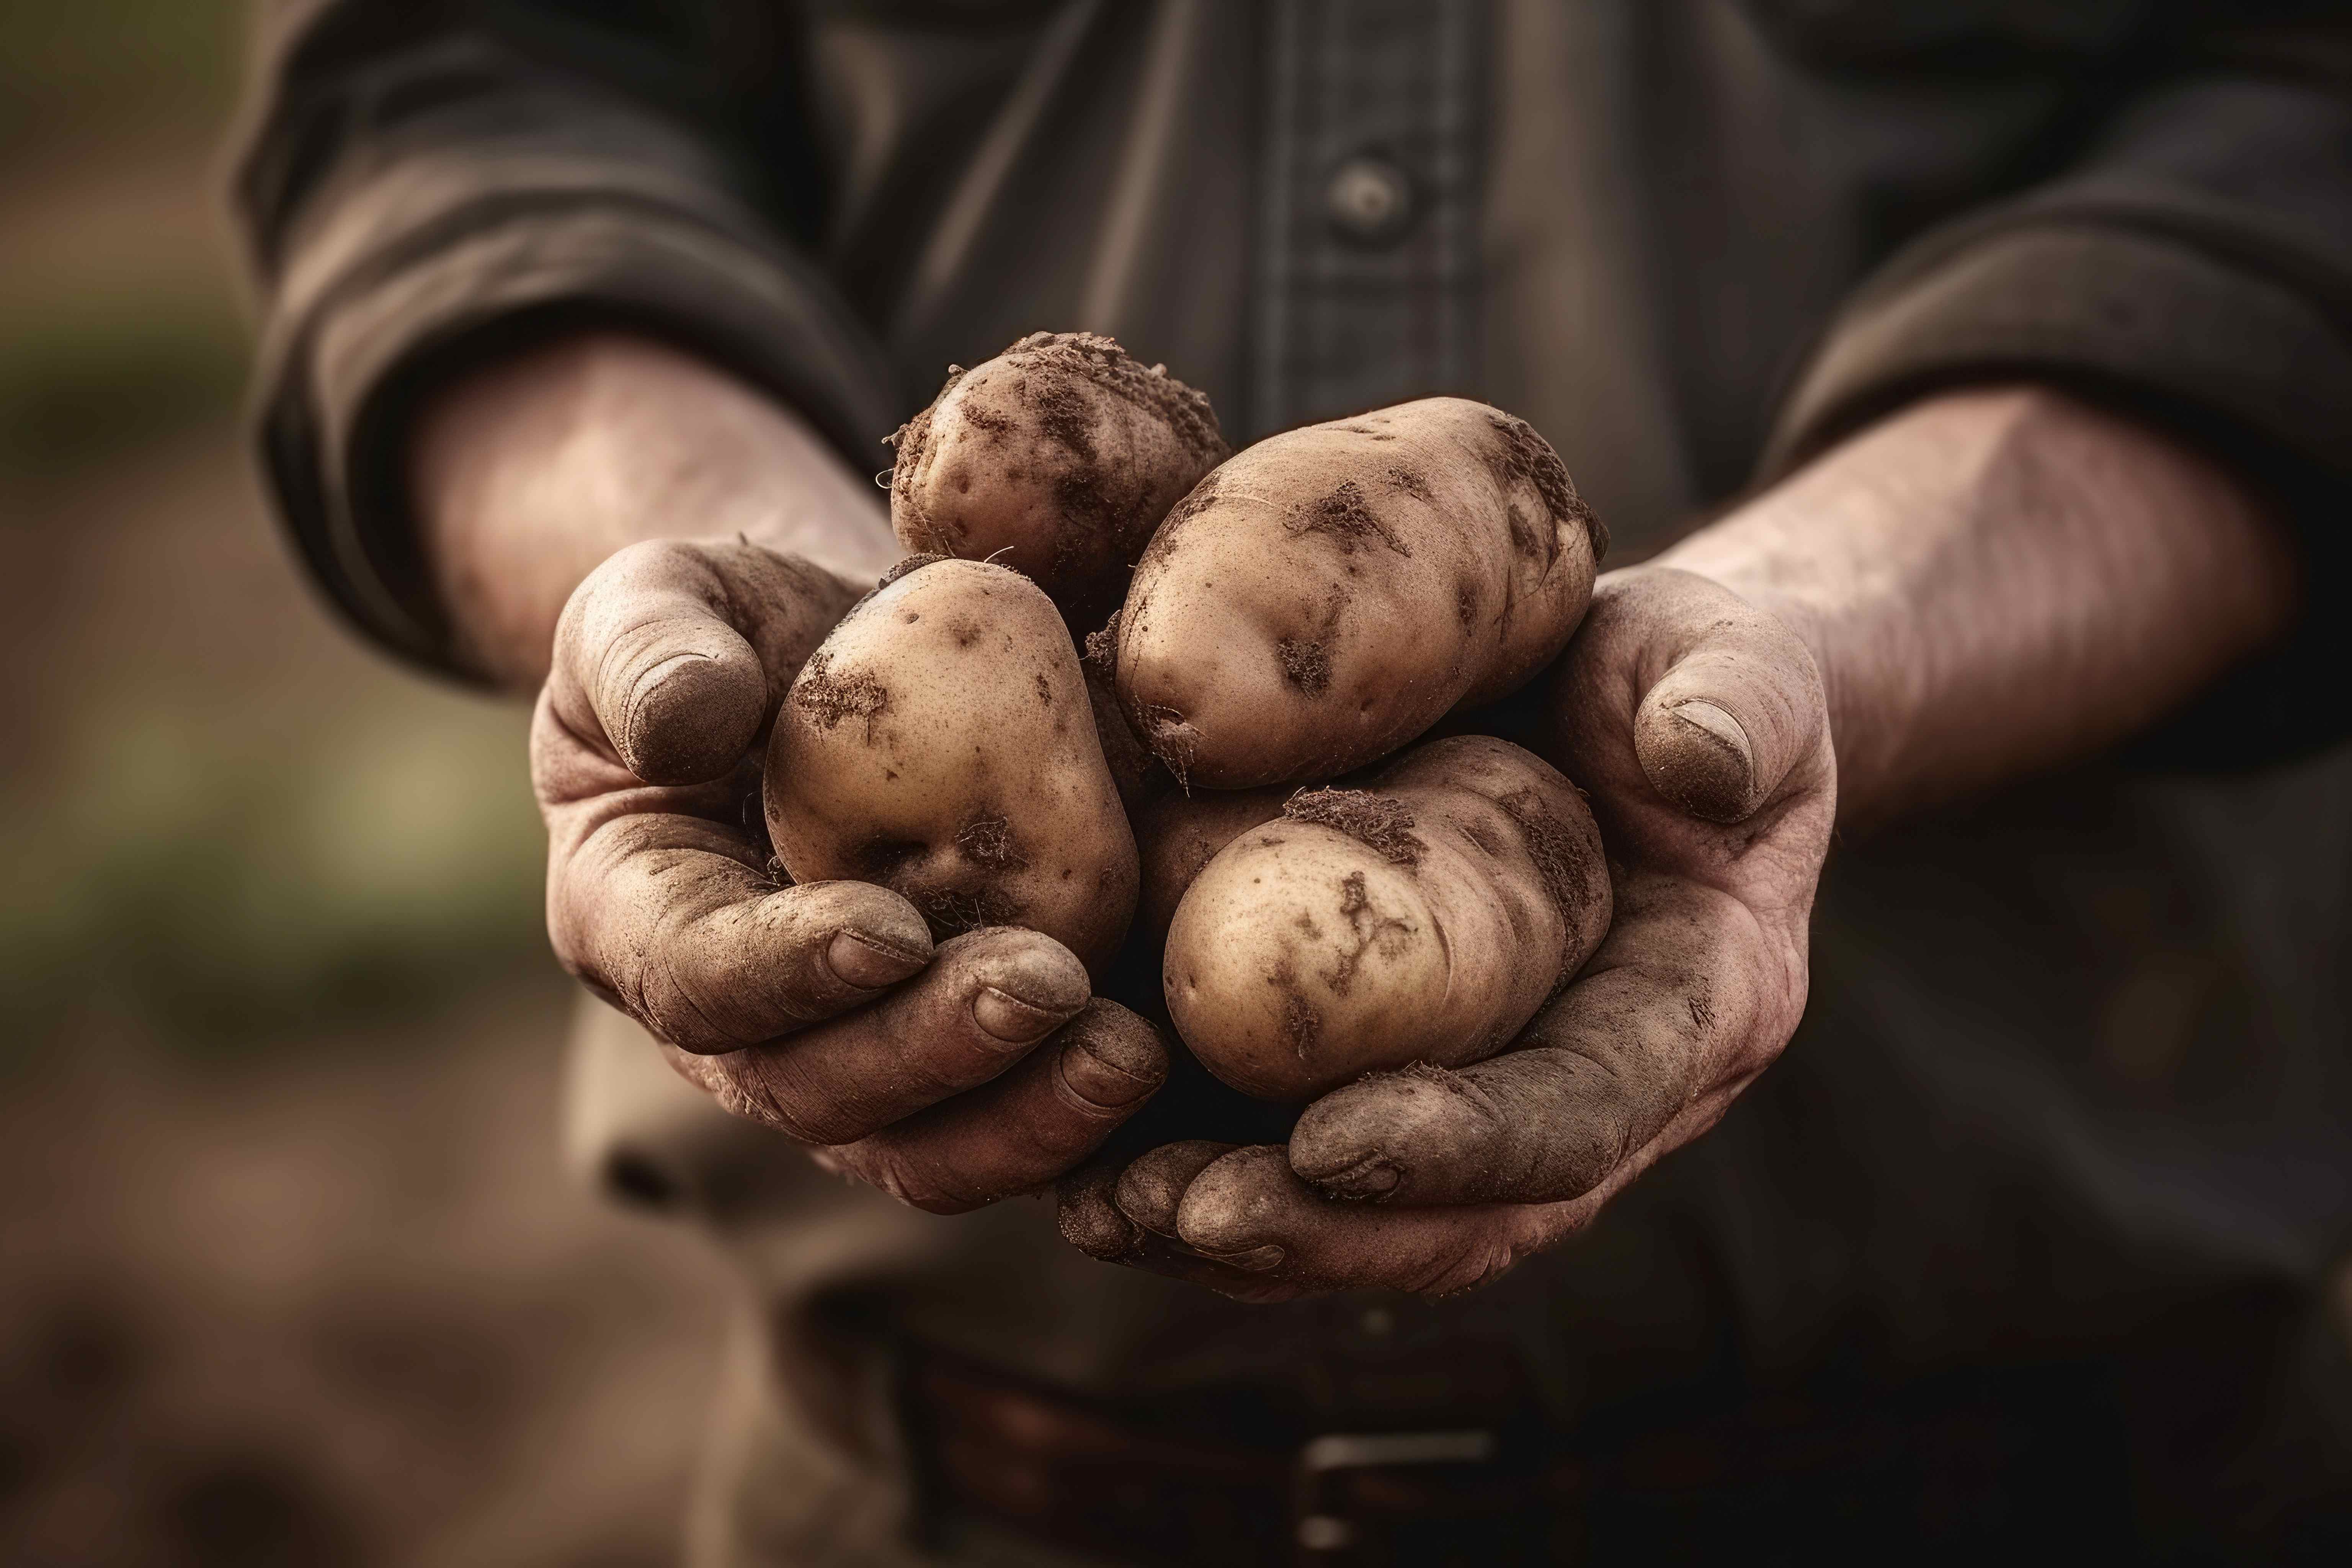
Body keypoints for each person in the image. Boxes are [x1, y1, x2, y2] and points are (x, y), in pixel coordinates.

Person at [231, 1, 2352, 1560]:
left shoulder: (1217, 677)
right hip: (928, 1498)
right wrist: (704, 565)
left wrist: (1816, 644)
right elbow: (460, 81)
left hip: (2089, 1476)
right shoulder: (1041, 642)